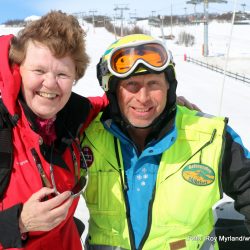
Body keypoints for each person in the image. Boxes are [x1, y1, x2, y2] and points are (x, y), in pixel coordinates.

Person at [81, 34, 250, 249]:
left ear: (169, 87)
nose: (143, 97)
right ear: (113, 90)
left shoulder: (211, 137)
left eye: (153, 83)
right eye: (131, 84)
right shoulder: (87, 137)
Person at [0, 11, 108, 250]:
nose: (50, 83)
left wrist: (166, 101)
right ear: (19, 70)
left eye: (62, 74)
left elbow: (116, 103)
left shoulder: (74, 116)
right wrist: (18, 223)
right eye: (39, 71)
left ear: (74, 79)